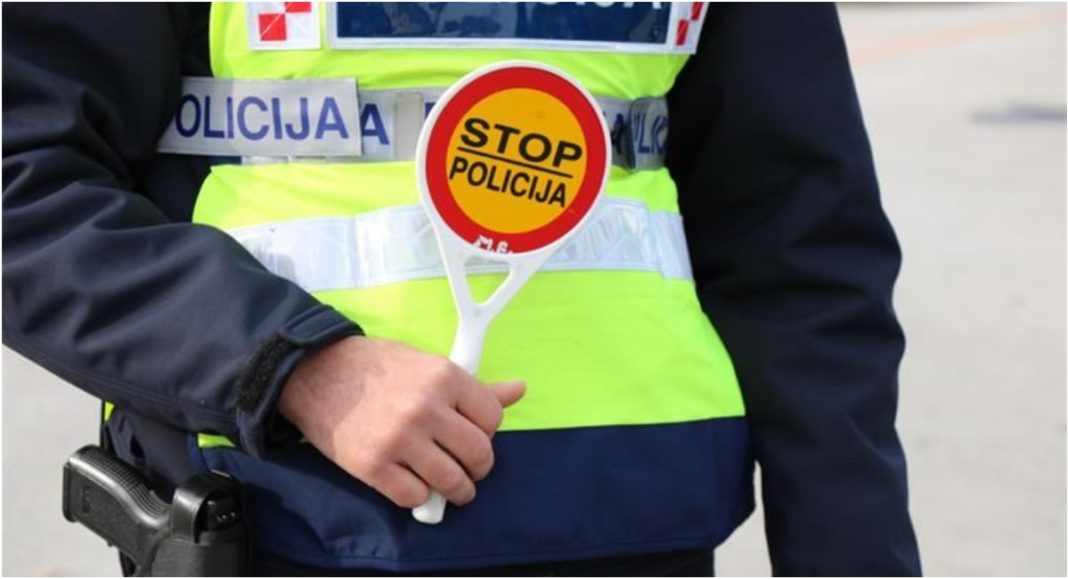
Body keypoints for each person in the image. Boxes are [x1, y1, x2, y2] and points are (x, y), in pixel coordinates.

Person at [2, 3, 921, 575]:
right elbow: (23, 178)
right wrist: (294, 366)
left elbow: (801, 250)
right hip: (283, 523)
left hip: (633, 524)